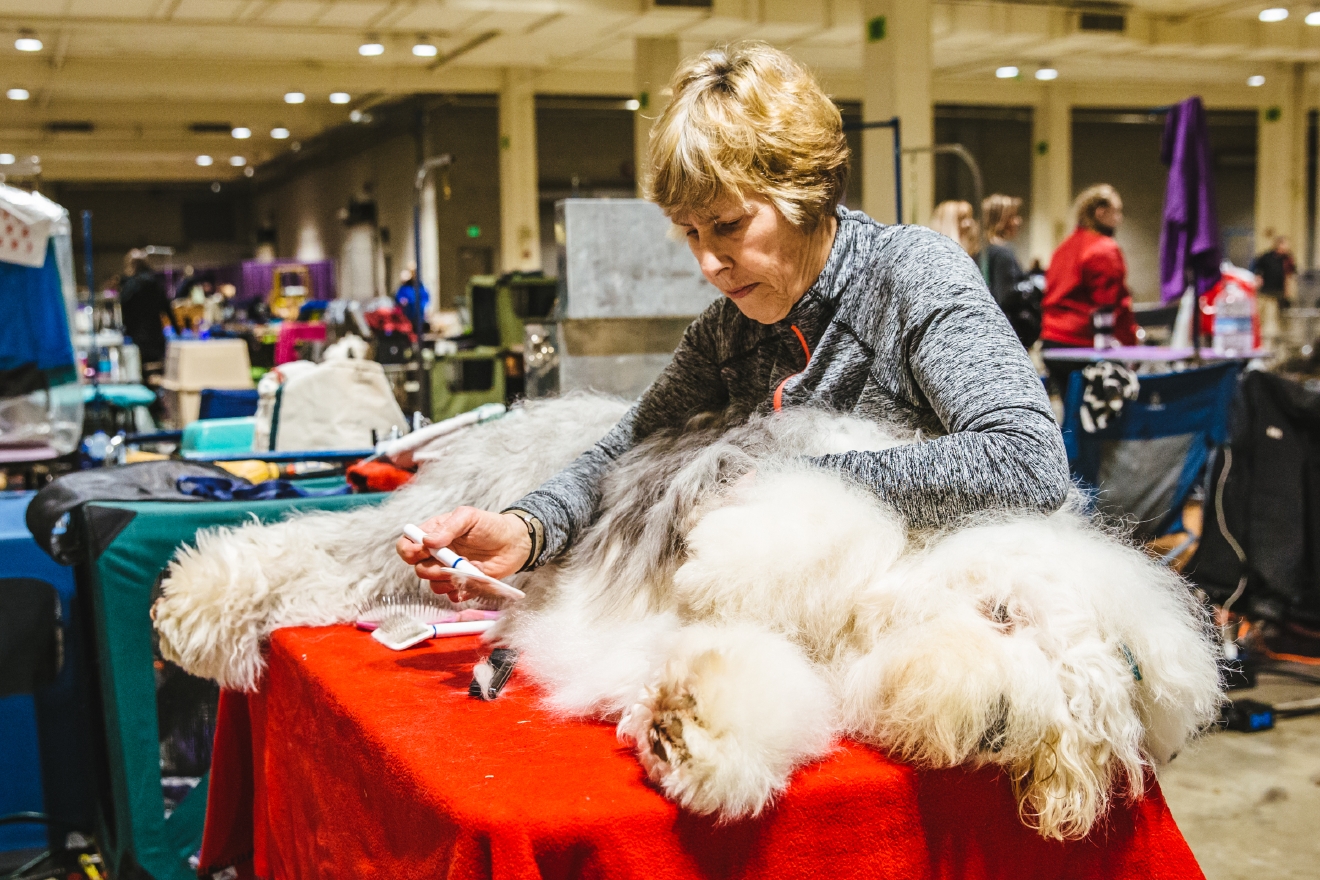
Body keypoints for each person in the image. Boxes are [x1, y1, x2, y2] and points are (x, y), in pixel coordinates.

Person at [398, 42, 1069, 589]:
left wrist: (793, 482)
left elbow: (1027, 463)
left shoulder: (910, 276)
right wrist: (528, 528)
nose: (710, 264)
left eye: (728, 224)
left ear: (803, 190)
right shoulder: (728, 332)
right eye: (689, 232)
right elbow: (627, 449)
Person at [1041, 184, 1137, 393]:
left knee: (1070, 415)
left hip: (1051, 344)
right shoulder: (1104, 249)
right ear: (1101, 212)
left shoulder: (1063, 247)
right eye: (1116, 212)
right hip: (1081, 346)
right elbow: (1111, 306)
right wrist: (1132, 346)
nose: (1119, 219)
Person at [979, 194, 1041, 348]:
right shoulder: (1002, 252)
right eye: (1013, 217)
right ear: (1000, 220)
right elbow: (1005, 296)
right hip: (1006, 331)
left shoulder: (982, 250)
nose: (1018, 221)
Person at [117, 249, 177, 379]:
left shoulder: (130, 286)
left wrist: (125, 330)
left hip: (138, 337)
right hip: (156, 334)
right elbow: (167, 308)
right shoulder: (155, 283)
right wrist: (177, 330)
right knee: (160, 371)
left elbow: (123, 309)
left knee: (141, 373)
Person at [1250, 233, 1294, 351]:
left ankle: (1275, 345)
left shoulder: (1287, 259)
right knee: (1265, 319)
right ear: (1278, 245)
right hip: (1266, 293)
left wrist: (1288, 291)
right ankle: (1263, 344)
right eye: (1285, 244)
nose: (1287, 247)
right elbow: (1256, 269)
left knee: (1277, 320)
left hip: (1279, 294)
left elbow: (1290, 275)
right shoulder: (1266, 257)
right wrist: (1258, 278)